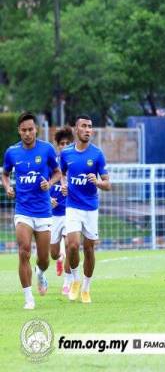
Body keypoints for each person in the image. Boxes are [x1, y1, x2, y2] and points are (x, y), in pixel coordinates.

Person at [2, 112, 61, 309]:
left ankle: (41, 273)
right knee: (23, 252)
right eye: (24, 130)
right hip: (23, 211)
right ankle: (28, 298)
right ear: (19, 131)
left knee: (44, 259)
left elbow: (58, 172)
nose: (28, 133)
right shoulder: (12, 152)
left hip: (43, 212)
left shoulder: (47, 149)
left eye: (31, 129)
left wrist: (49, 183)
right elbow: (5, 174)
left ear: (36, 129)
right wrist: (8, 187)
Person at [61, 115, 111, 304]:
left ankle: (86, 288)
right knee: (72, 245)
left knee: (89, 249)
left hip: (90, 208)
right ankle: (74, 279)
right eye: (84, 126)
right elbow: (62, 174)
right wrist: (64, 185)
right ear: (76, 129)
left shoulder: (97, 154)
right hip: (72, 206)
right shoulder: (66, 154)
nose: (88, 129)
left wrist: (98, 182)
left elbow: (107, 184)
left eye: (90, 126)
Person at [50, 127, 74, 295]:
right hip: (52, 214)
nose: (65, 146)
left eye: (68, 143)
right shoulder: (51, 163)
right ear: (57, 146)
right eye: (62, 143)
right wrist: (47, 199)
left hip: (70, 212)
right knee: (52, 253)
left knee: (69, 246)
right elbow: (40, 183)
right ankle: (58, 258)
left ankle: (67, 282)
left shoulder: (75, 162)